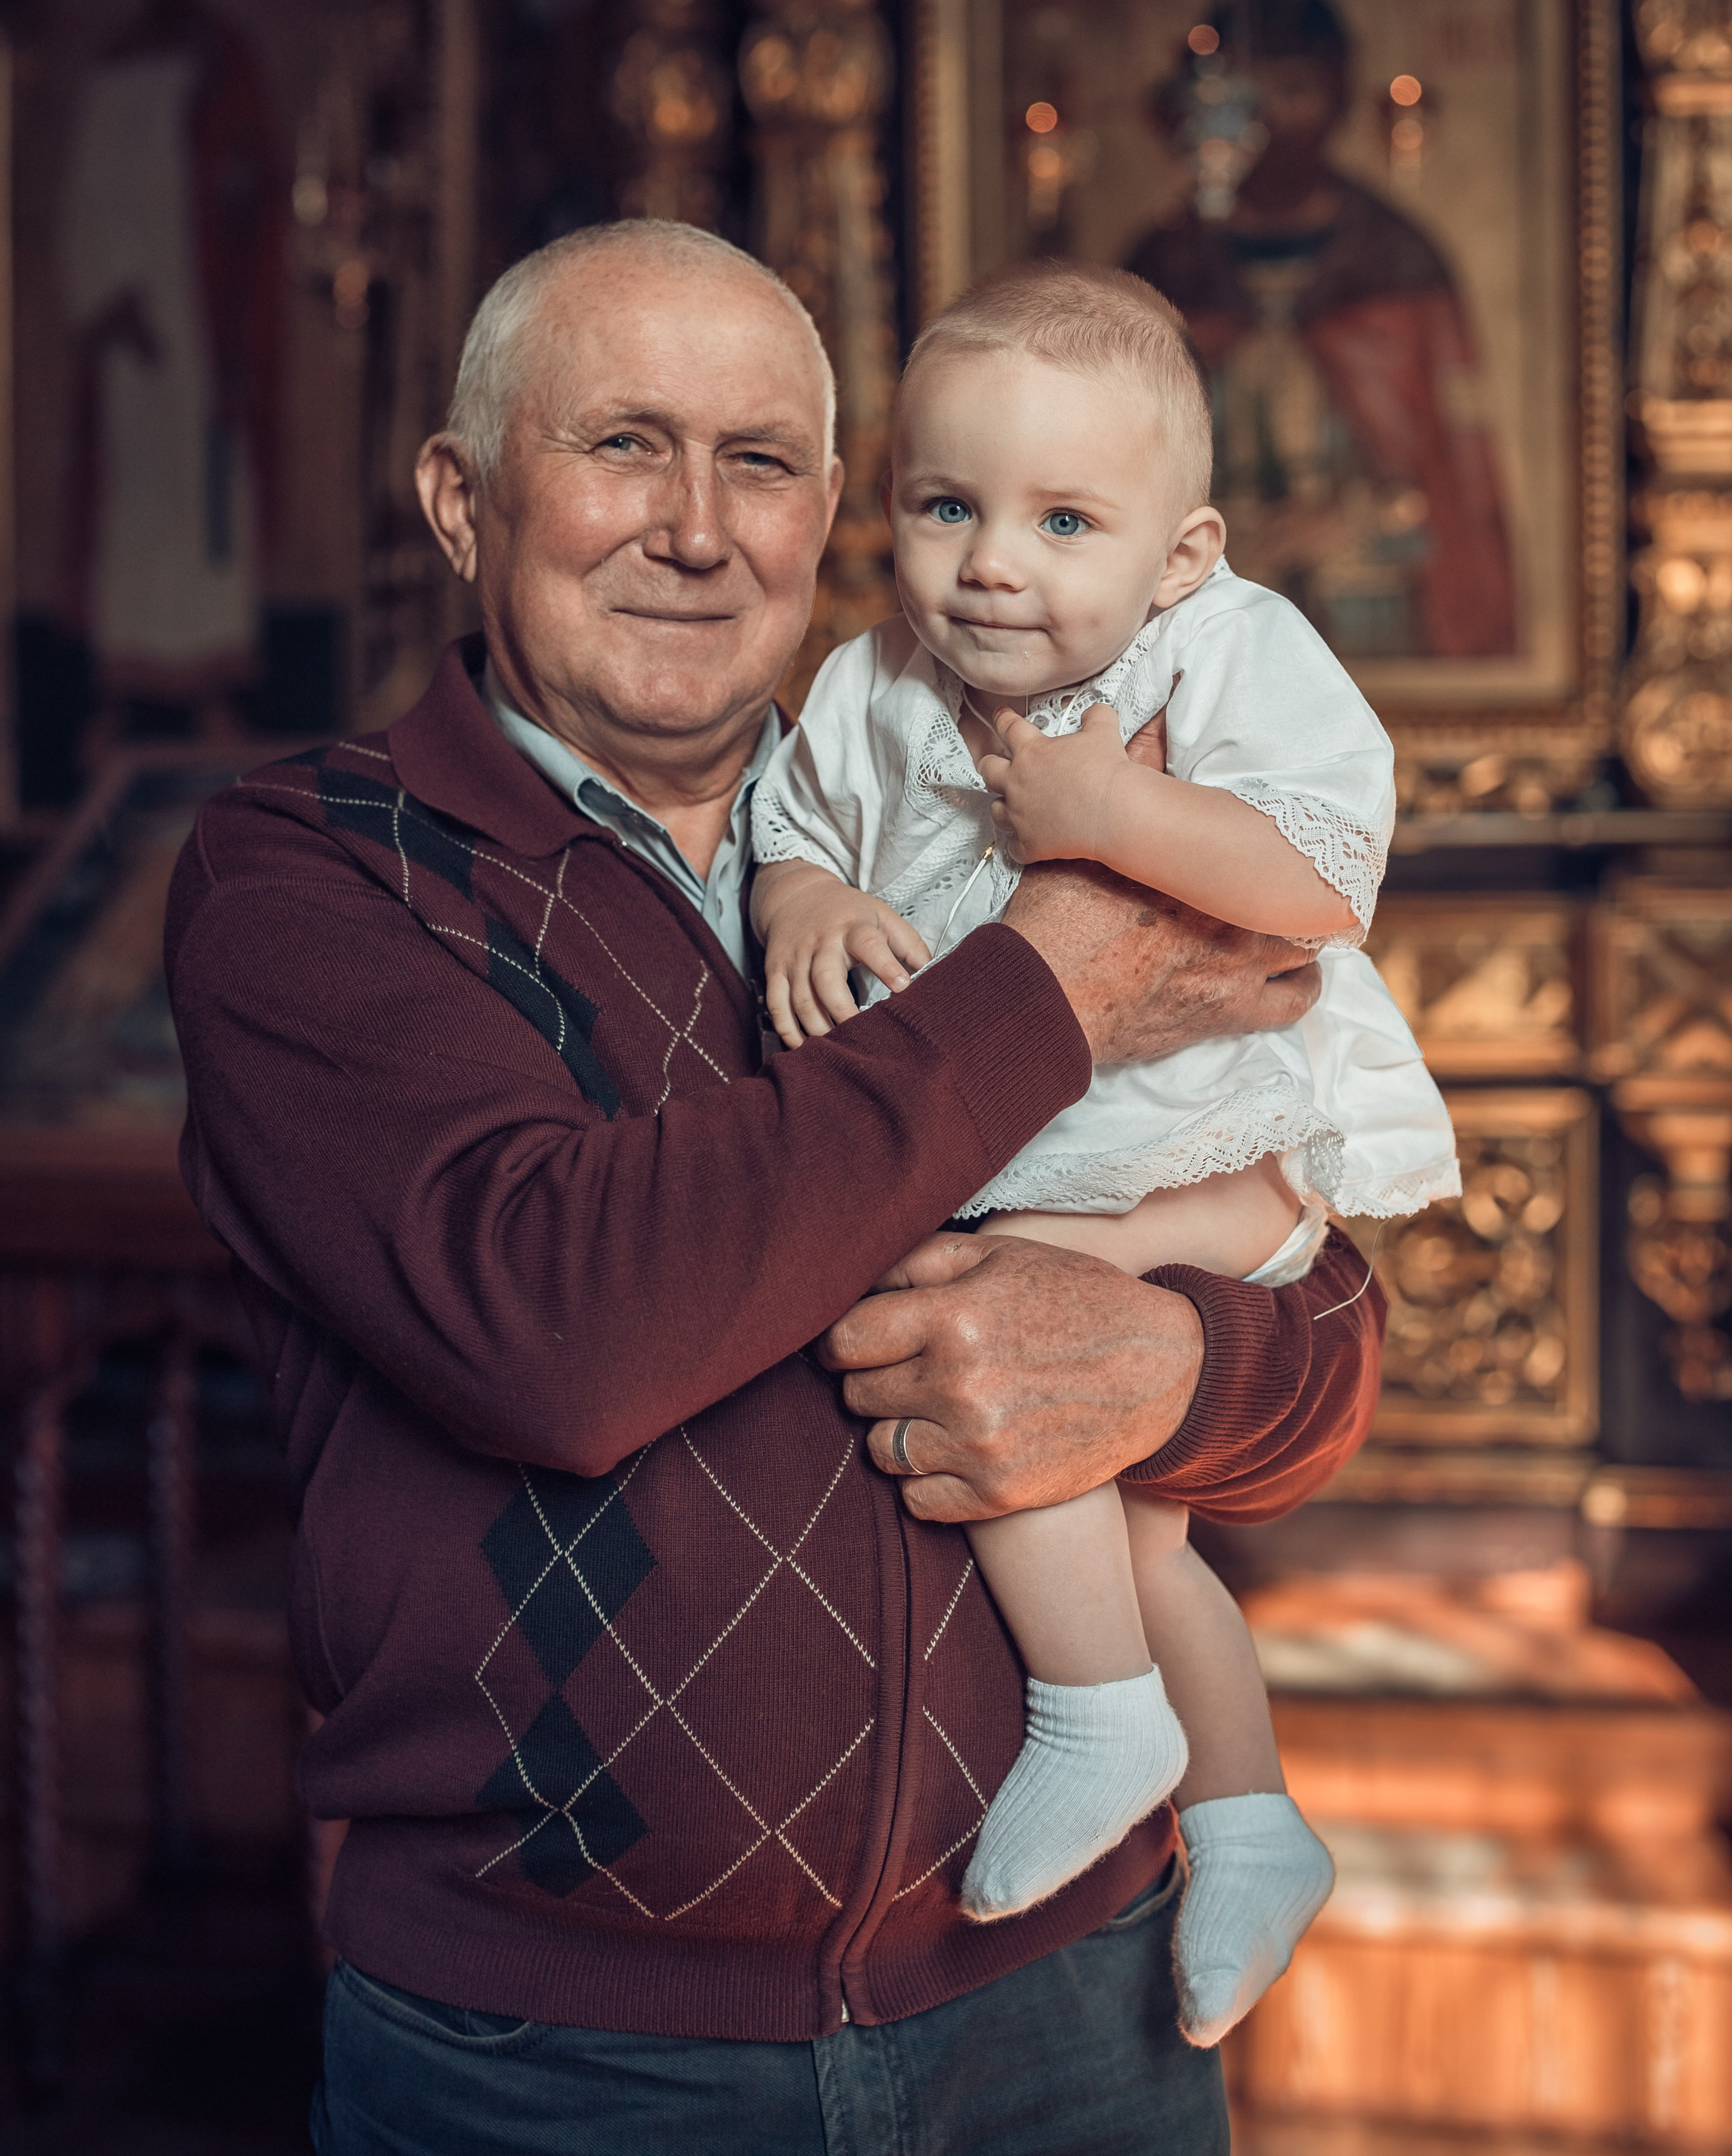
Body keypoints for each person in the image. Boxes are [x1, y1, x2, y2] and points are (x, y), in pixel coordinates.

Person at [165, 220, 1385, 2156]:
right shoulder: (315, 876)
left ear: (831, 509)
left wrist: (1174, 1369)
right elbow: (558, 1329)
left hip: (1070, 2001)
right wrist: (1050, 986)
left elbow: (1315, 1290)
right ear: (462, 500)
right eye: (622, 446)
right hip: (562, 2059)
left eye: (757, 464)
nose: (697, 529)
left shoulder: (984, 803)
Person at [752, 258, 1454, 2042]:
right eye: (946, 506)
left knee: (983, 1314)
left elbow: (1323, 885)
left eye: (1066, 520)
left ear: (1184, 551)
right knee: (1143, 1542)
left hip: (1206, 1149)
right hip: (1054, 1143)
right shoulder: (873, 685)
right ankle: (1249, 1815)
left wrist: (1114, 813)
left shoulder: (1226, 653)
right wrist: (808, 900)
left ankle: (1096, 1718)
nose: (993, 562)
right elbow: (791, 822)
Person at [1127, 0, 1517, 663]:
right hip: (1194, 615)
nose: (1272, 122)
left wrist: (1353, 519)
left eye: (1295, 91)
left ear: (1337, 96)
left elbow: (1450, 473)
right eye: (1246, 98)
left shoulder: (1397, 262)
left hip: (1369, 607)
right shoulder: (1164, 265)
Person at [60, 0, 283, 727]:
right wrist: (106, 298)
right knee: (136, 493)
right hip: (129, 315)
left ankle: (213, 680)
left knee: (208, 492)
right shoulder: (117, 59)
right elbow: (85, 198)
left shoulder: (222, 57)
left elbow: (249, 173)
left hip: (205, 306)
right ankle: (124, 680)